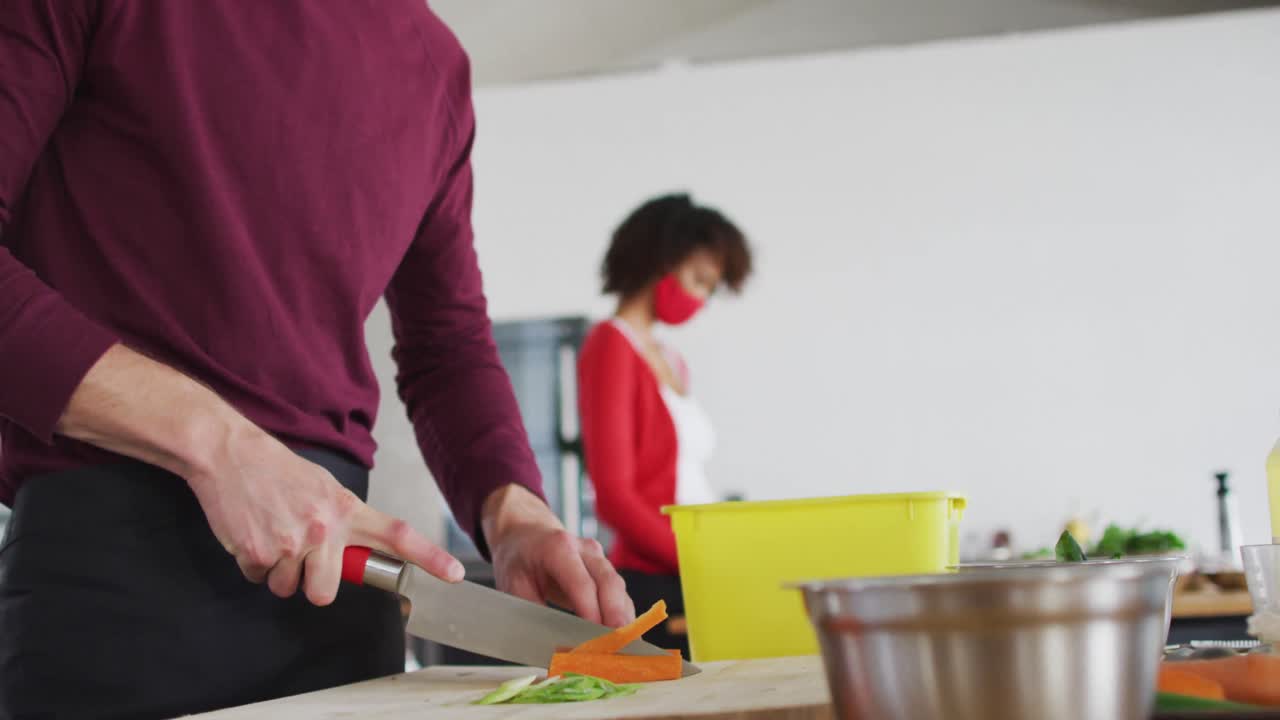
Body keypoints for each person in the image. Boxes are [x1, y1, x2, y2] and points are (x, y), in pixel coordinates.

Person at [0, 3, 633, 718]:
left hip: (340, 588)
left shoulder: (433, 64)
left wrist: (517, 515)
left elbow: (447, 344)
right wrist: (217, 444)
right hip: (114, 592)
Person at [576, 193, 753, 657]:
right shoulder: (611, 347)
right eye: (698, 279)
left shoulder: (671, 358)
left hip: (688, 573)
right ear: (660, 262)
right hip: (655, 582)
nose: (701, 299)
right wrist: (699, 557)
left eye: (711, 288)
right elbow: (616, 497)